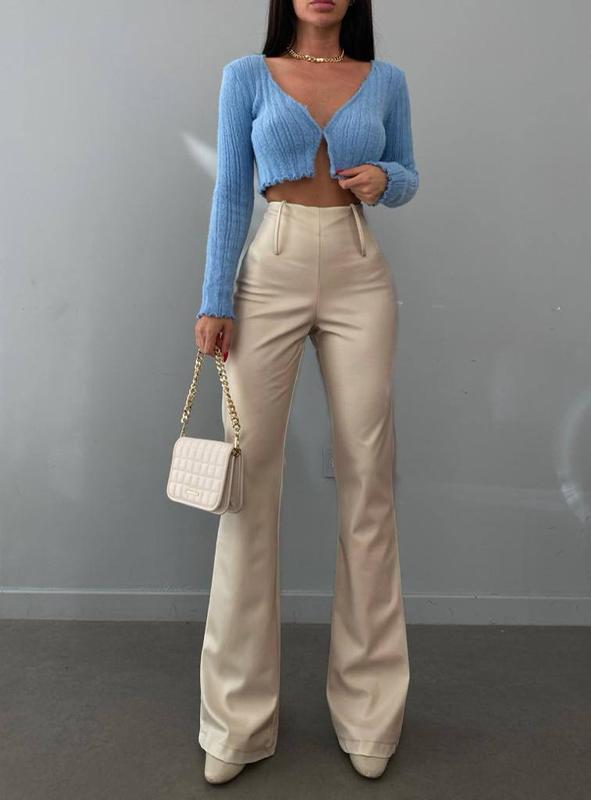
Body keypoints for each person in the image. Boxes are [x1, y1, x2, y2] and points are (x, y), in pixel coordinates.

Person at [193, 0, 419, 785]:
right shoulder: (246, 77)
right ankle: (235, 722)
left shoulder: (384, 79)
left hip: (359, 272)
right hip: (271, 268)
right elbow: (231, 188)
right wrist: (215, 298)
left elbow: (408, 175)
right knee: (247, 484)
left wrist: (386, 178)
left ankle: (370, 713)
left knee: (368, 483)